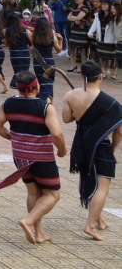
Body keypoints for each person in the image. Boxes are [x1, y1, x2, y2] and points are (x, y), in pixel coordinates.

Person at [0, 70, 67, 244]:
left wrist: (13, 138)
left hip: (21, 157)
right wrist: (62, 150)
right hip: (42, 158)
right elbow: (57, 134)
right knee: (52, 195)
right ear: (36, 86)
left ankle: (39, 232)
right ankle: (28, 221)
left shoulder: (8, 103)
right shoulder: (45, 107)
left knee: (33, 192)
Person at [59, 60, 122, 241]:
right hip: (101, 146)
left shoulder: (71, 95)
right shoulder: (111, 103)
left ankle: (100, 221)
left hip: (82, 144)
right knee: (102, 188)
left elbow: (67, 119)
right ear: (101, 76)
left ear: (82, 76)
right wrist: (112, 149)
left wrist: (79, 113)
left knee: (89, 178)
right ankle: (90, 225)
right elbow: (119, 131)